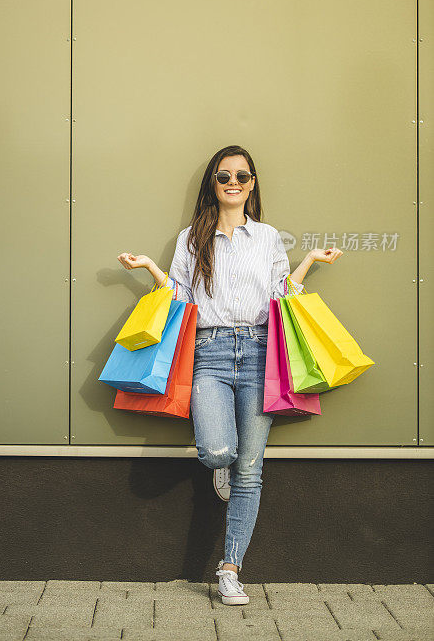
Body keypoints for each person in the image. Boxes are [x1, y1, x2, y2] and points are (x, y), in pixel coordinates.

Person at [117, 144, 343, 605]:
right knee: (220, 450)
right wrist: (149, 269)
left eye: (242, 175)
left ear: (252, 183)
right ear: (213, 184)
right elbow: (180, 293)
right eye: (224, 176)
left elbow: (281, 292)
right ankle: (223, 465)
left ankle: (230, 569)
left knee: (250, 472)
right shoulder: (192, 237)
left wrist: (310, 262)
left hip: (260, 355)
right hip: (210, 352)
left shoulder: (267, 237)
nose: (233, 182)